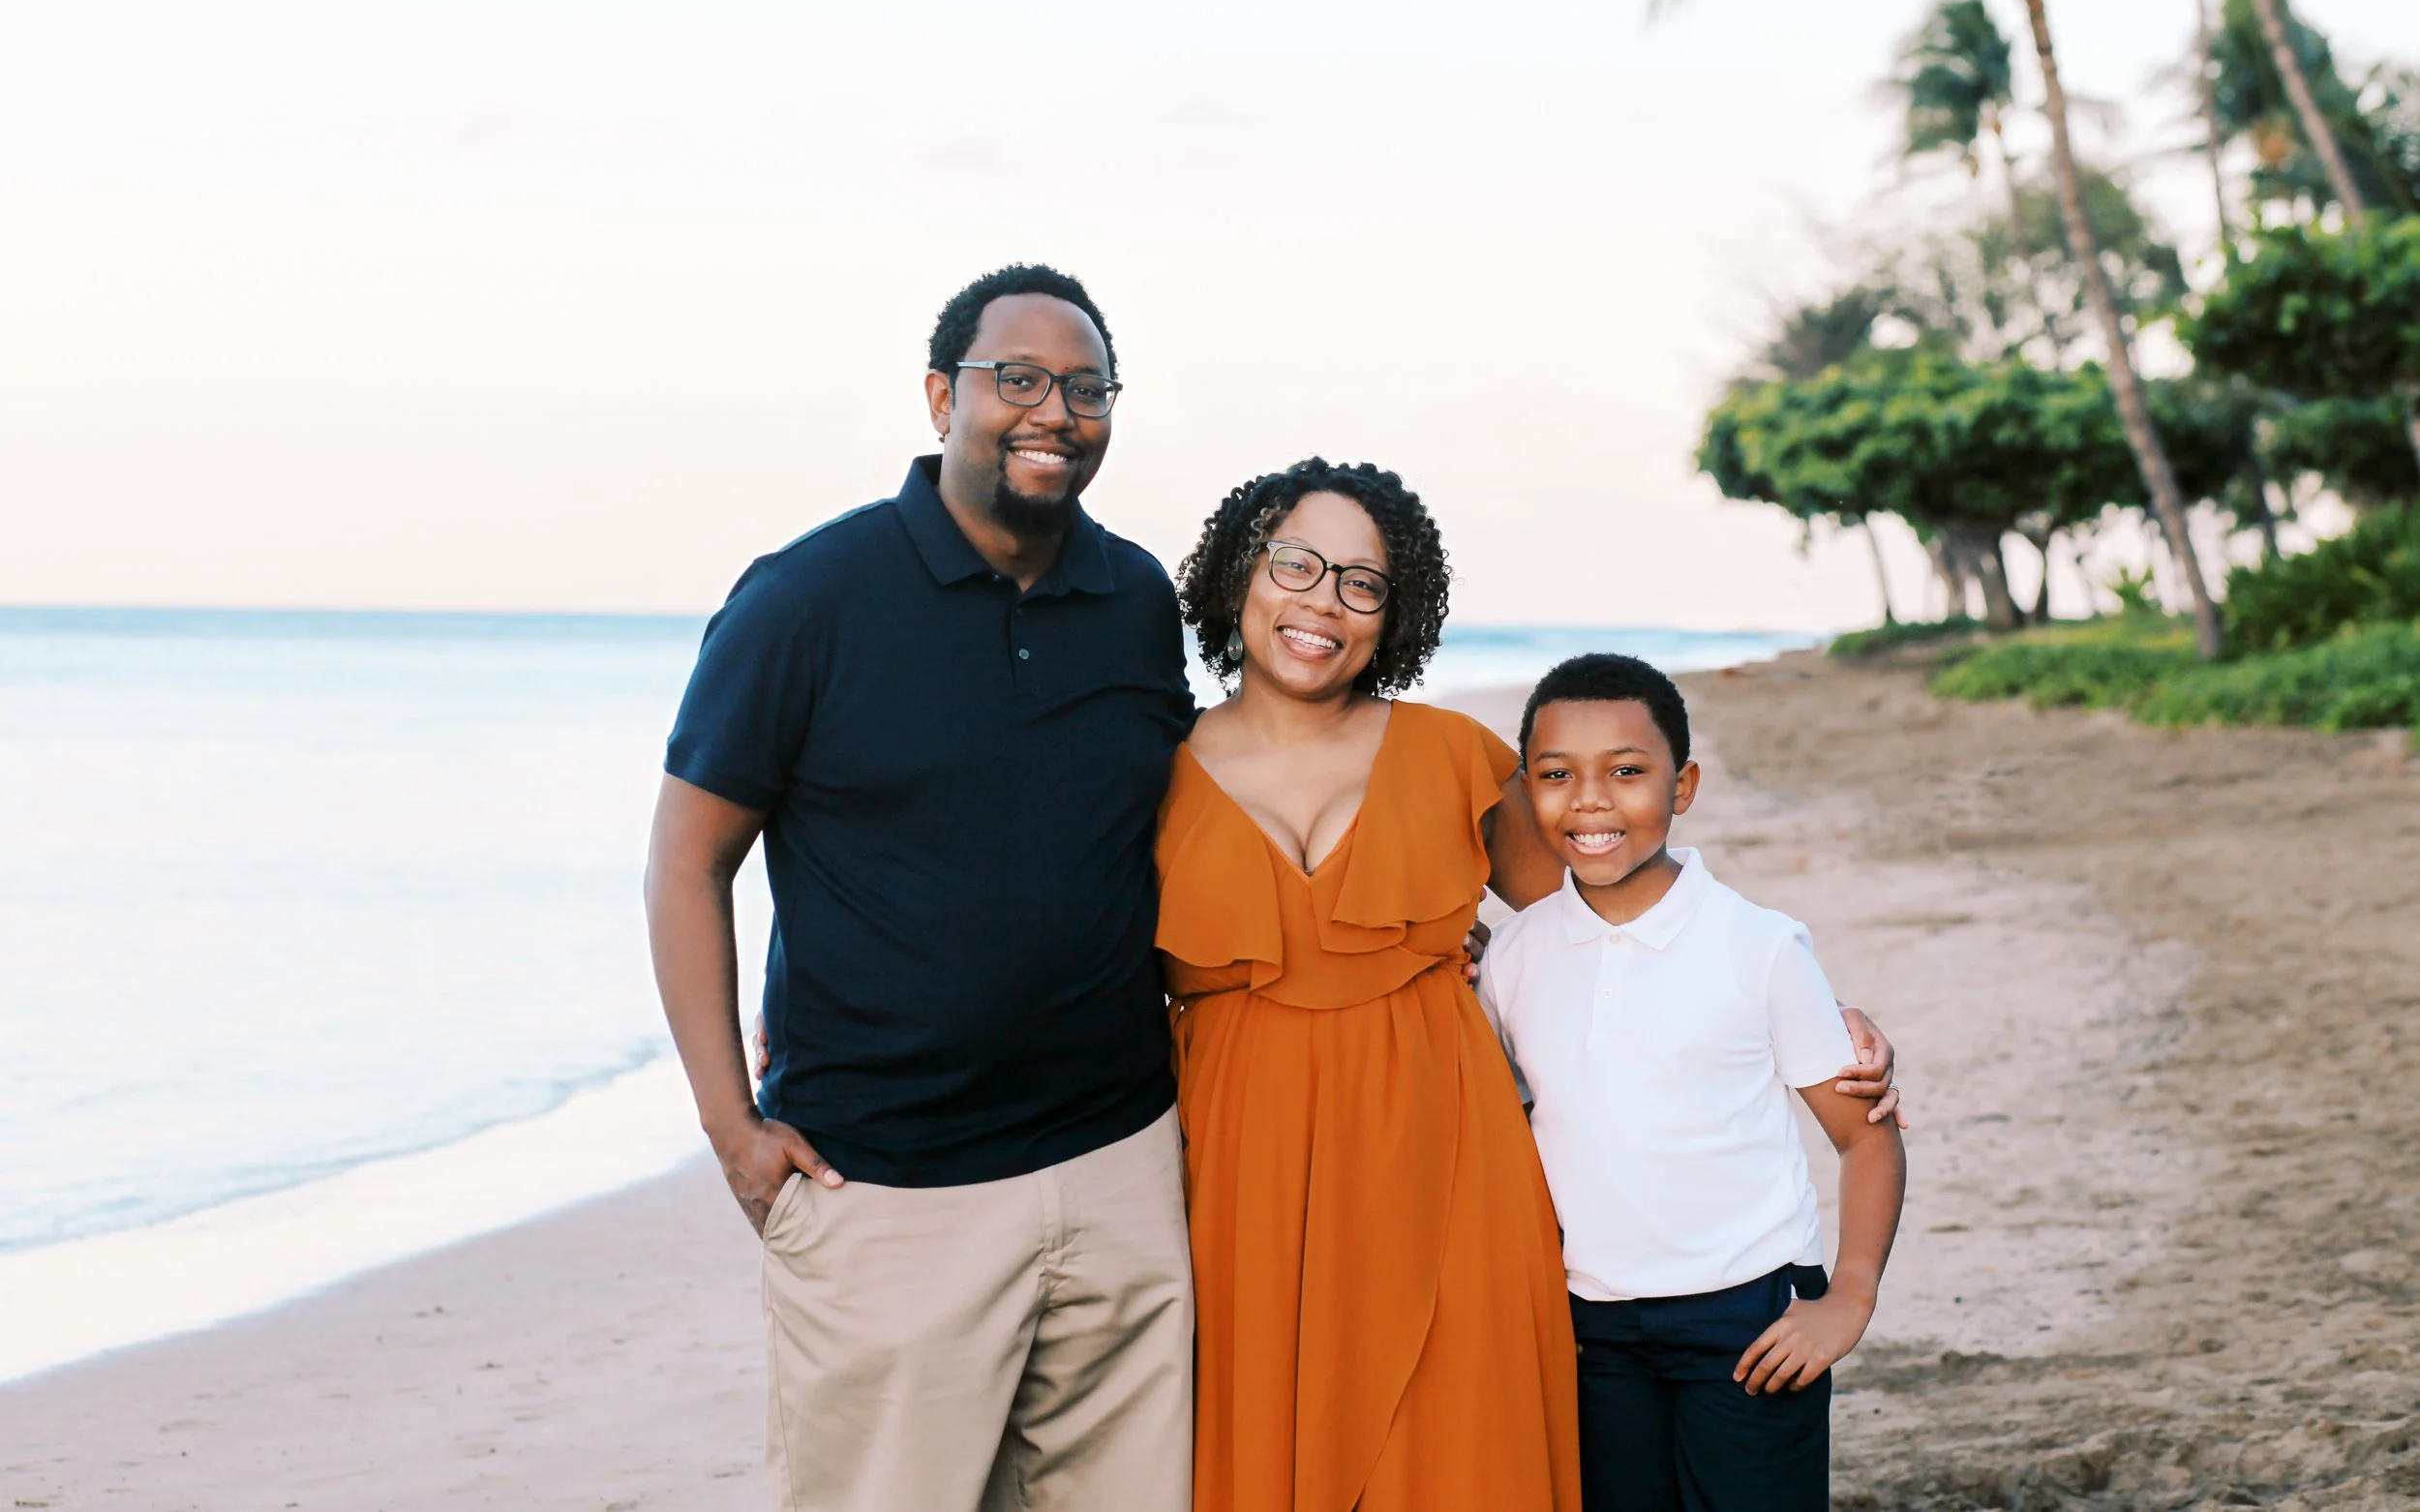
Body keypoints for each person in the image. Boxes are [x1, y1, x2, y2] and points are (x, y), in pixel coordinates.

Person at [1154, 466, 1902, 1512]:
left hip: (1453, 1161)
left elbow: (1614, 913)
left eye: (1363, 582)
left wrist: (1824, 1023)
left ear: (1394, 611)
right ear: (1241, 571)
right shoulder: (1148, 762)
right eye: (1296, 563)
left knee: (1460, 1453)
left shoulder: (1453, 755)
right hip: (1245, 1170)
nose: (1323, 599)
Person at [644, 264, 1197, 1512]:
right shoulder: (806, 598)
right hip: (886, 1183)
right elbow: (688, 861)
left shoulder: (1135, 599)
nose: (1054, 409)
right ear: (944, 394)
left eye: (1086, 386)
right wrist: (732, 1127)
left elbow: (1185, 823)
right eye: (1019, 379)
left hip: (1120, 1160)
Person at [1475, 653, 1908, 1512]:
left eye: (1628, 772)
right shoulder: (1517, 957)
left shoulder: (1759, 944)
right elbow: (1512, 1117)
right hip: (1594, 1326)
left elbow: (1867, 1137)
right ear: (1528, 795)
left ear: (1684, 786)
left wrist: (1850, 1295)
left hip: (1746, 1319)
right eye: (1557, 775)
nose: (1592, 800)